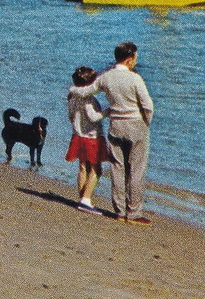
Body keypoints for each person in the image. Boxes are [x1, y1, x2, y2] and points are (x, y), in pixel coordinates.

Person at [71, 41, 154, 223]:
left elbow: (86, 91)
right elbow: (148, 105)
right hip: (135, 125)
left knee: (117, 168)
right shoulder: (135, 79)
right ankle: (134, 213)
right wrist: (145, 122)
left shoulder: (105, 77)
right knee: (136, 170)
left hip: (115, 125)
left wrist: (72, 89)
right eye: (135, 57)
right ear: (130, 58)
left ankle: (119, 211)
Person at [66, 66, 109, 213]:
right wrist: (106, 112)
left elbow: (71, 116)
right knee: (96, 169)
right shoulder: (89, 99)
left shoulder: (72, 98)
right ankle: (86, 199)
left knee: (83, 167)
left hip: (78, 135)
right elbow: (93, 117)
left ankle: (82, 198)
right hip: (91, 137)